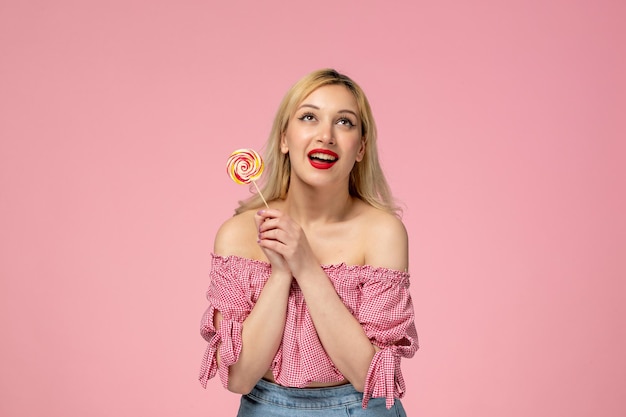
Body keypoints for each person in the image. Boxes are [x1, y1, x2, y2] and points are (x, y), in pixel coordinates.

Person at [199, 68, 418, 416]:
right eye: (308, 117)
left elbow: (369, 377)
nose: (326, 135)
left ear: (360, 148)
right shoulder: (237, 234)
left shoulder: (382, 232)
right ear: (285, 138)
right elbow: (238, 378)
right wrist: (281, 272)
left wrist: (305, 264)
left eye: (344, 122)